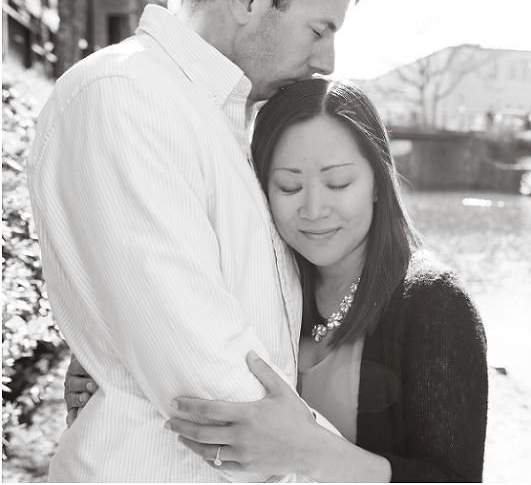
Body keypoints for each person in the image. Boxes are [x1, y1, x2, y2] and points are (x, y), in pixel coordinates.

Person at [66, 78, 489, 481]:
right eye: (289, 187)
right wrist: (112, 367)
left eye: (338, 182)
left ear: (378, 181)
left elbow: (456, 479)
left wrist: (310, 451)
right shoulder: (260, 276)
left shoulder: (434, 304)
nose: (314, 208)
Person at [27, 0, 362, 482]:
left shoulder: (221, 119)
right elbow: (214, 390)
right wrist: (358, 468)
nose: (328, 61)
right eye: (318, 30)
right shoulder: (128, 96)